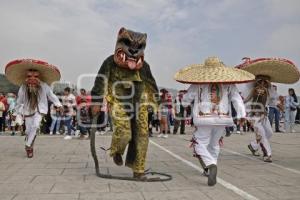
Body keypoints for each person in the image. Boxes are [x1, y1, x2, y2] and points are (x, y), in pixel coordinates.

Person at [91, 27, 158, 180]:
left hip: (139, 102)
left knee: (142, 135)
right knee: (124, 132)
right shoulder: (109, 62)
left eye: (138, 47)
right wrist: (96, 101)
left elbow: (151, 85)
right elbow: (100, 81)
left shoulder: (144, 66)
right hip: (118, 101)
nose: (133, 51)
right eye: (128, 44)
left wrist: (154, 104)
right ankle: (117, 150)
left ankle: (138, 170)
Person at [175, 57, 254, 186]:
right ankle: (211, 167)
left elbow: (186, 99)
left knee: (199, 143)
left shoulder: (198, 82)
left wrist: (182, 104)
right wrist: (242, 114)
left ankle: (210, 165)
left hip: (203, 119)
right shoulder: (229, 83)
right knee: (214, 144)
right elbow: (237, 99)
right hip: (222, 119)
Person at [236, 57, 300, 162]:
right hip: (252, 115)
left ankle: (253, 146)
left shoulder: (269, 90)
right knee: (261, 133)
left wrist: (282, 108)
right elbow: (244, 98)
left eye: (265, 81)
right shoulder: (250, 87)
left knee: (269, 133)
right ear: (256, 80)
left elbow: (275, 101)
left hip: (263, 114)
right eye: (260, 80)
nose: (263, 83)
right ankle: (267, 154)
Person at [5, 59, 62, 158]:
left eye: (35, 76)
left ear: (39, 77)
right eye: (29, 76)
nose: (32, 78)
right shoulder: (23, 87)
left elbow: (52, 96)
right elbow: (19, 102)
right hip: (27, 111)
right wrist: (14, 114)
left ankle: (28, 145)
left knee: (35, 126)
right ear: (26, 77)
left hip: (40, 110)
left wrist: (59, 105)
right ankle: (30, 145)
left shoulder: (44, 86)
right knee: (28, 131)